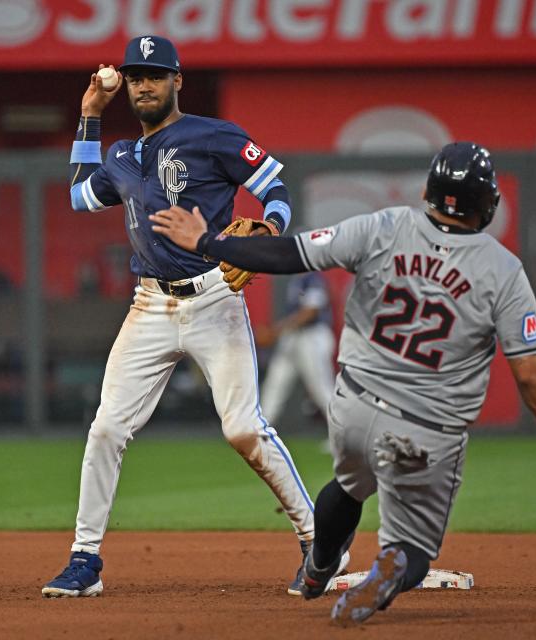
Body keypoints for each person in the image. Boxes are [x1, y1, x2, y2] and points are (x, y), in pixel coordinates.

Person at [150, 141, 536, 626]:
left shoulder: (384, 226)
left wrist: (208, 243)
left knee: (348, 486)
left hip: (354, 407)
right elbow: (531, 373)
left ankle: (317, 568)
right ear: (487, 203)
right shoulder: (504, 271)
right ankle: (392, 566)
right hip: (428, 427)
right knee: (413, 551)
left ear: (430, 190)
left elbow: (290, 254)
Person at [42, 35, 346, 598]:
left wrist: (271, 229)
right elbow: (81, 196)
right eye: (136, 77)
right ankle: (85, 560)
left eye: (155, 75)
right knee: (107, 427)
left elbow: (275, 187)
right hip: (149, 305)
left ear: (177, 81)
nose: (143, 85)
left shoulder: (213, 135)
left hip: (213, 299)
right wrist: (88, 116)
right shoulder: (121, 156)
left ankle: (319, 543)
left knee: (243, 429)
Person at [258, 272, 336, 426]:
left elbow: (310, 312)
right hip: (293, 336)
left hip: (312, 336)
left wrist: (275, 331)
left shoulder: (313, 278)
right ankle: (260, 431)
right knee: (275, 383)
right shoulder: (297, 278)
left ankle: (343, 434)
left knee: (321, 389)